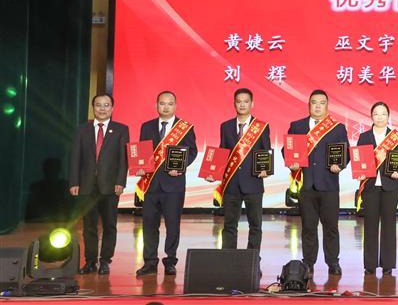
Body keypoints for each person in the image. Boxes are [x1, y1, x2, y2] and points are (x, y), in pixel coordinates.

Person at [286, 89, 349, 275]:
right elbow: (287, 150)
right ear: (309, 105)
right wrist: (291, 162)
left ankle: (333, 262)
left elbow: (345, 153)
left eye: (322, 103)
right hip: (306, 184)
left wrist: (340, 165)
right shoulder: (297, 126)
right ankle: (308, 262)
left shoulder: (337, 128)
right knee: (308, 226)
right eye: (314, 103)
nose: (318, 106)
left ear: (327, 106)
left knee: (331, 227)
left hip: (329, 184)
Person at [135, 91, 198, 277]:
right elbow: (142, 151)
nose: (166, 107)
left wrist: (181, 166)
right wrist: (139, 166)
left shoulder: (184, 128)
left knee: (172, 226)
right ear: (156, 105)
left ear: (175, 106)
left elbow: (192, 151)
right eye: (162, 103)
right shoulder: (147, 126)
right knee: (149, 225)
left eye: (170, 104)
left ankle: (170, 261)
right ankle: (150, 262)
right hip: (151, 184)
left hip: (174, 185)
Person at [68, 94, 128, 275]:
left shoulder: (121, 129)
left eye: (106, 105)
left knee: (109, 225)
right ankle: (90, 261)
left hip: (110, 186)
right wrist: (74, 182)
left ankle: (105, 261)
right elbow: (75, 157)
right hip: (86, 185)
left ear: (112, 108)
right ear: (93, 107)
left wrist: (120, 182)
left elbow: (123, 159)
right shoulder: (82, 129)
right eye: (98, 105)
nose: (102, 108)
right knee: (89, 225)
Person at [210, 88, 271, 252]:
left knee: (255, 225)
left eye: (246, 101)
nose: (242, 105)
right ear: (234, 104)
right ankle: (228, 259)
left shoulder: (261, 127)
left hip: (254, 183)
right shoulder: (226, 126)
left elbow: (266, 151)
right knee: (229, 225)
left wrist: (266, 170)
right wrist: (213, 173)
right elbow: (222, 152)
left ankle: (253, 259)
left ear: (252, 104)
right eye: (239, 101)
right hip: (231, 184)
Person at [355, 101, 398, 276]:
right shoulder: (364, 137)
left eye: (383, 114)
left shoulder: (395, 137)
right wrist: (359, 172)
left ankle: (388, 264)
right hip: (370, 187)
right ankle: (369, 264)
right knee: (370, 225)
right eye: (376, 114)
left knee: (389, 225)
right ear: (371, 116)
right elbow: (359, 159)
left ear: (388, 116)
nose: (380, 117)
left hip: (390, 186)